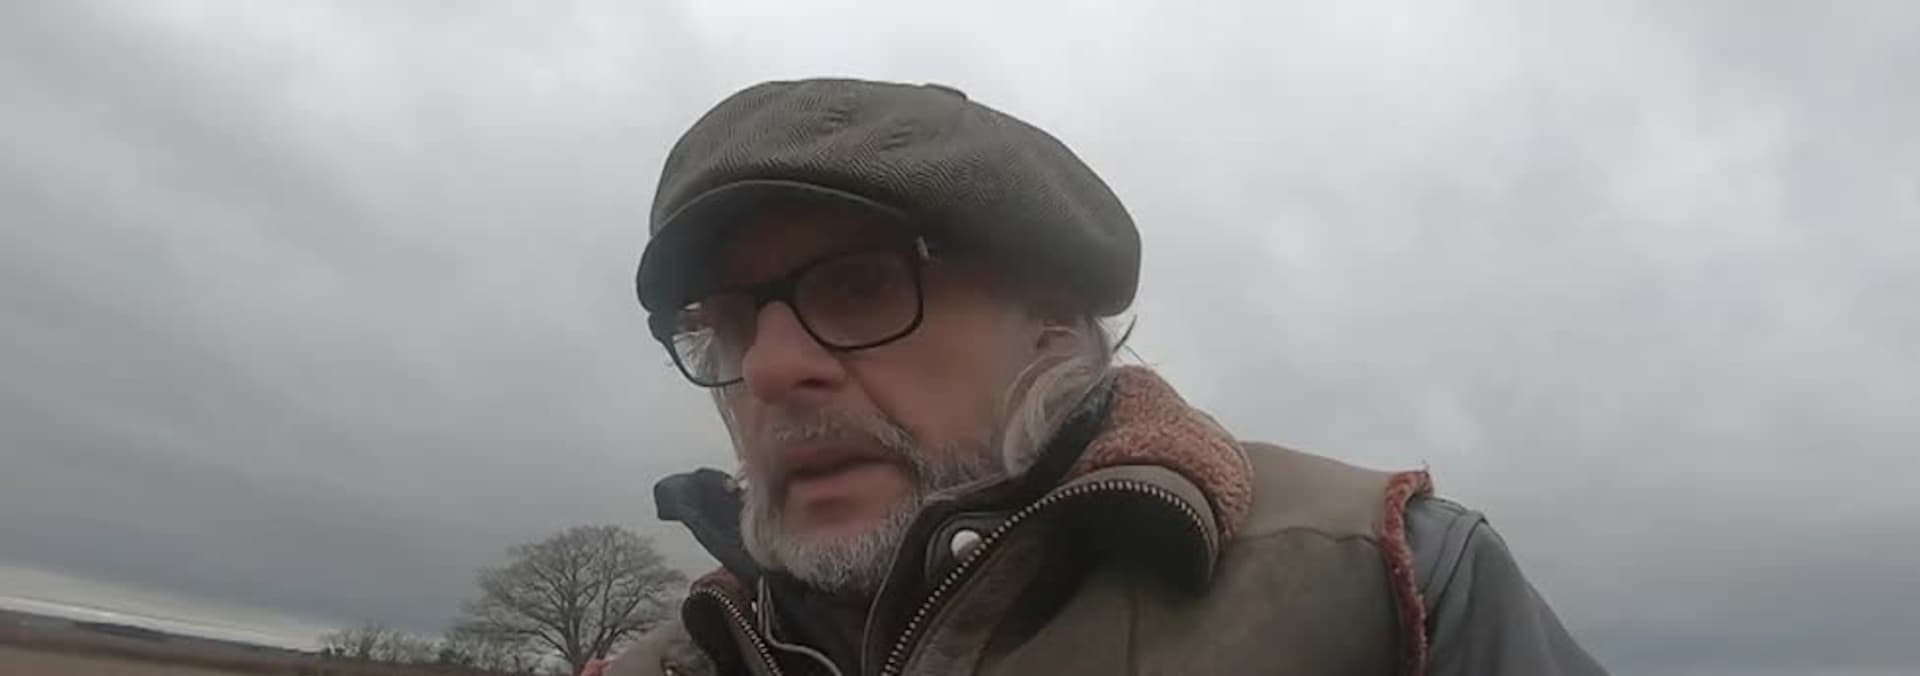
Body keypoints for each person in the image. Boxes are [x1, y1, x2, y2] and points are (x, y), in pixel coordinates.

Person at [596, 78, 1609, 676]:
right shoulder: (671, 663)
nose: (770, 369)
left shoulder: (1391, 582)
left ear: (1054, 327)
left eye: (860, 288)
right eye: (725, 326)